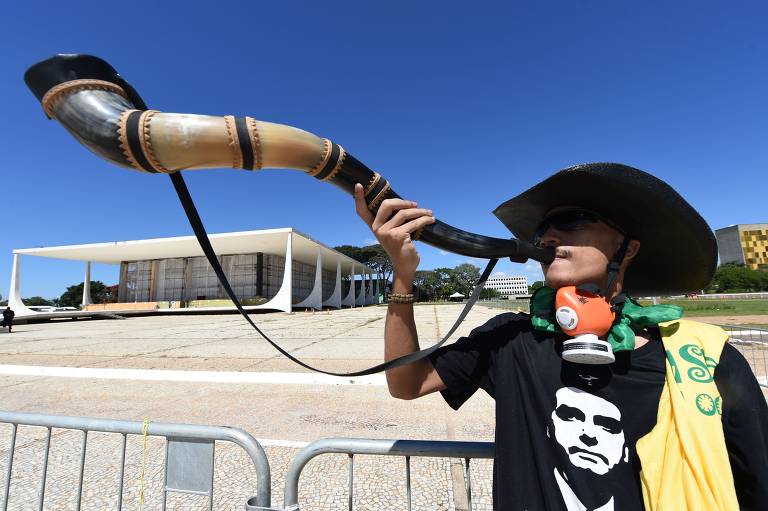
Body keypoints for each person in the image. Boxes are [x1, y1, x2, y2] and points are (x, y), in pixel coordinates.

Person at [354, 163, 768, 510]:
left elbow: (756, 484)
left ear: (630, 248)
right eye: (542, 230)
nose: (547, 237)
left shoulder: (704, 358)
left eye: (571, 220)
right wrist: (403, 275)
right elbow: (407, 383)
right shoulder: (511, 338)